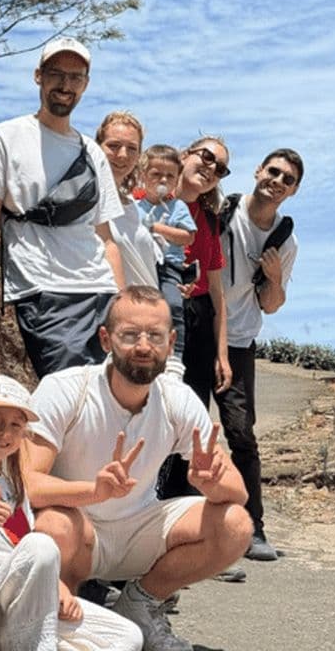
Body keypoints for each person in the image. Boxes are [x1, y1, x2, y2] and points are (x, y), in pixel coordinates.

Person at [23, 286, 252, 651]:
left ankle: (141, 606)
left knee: (236, 525)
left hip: (138, 531)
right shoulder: (65, 390)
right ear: (105, 338)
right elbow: (28, 484)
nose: (143, 347)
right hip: (79, 533)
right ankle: (62, 617)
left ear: (171, 341)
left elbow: (238, 494)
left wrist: (212, 484)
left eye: (155, 336)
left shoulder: (177, 400)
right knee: (52, 525)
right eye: (129, 335)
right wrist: (92, 492)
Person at [0, 38, 125, 378]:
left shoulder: (92, 152)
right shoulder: (6, 137)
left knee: (105, 403)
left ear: (86, 84)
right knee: (65, 399)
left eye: (76, 77)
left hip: (100, 293)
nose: (66, 85)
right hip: (44, 293)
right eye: (56, 74)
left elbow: (107, 239)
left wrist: (123, 306)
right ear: (39, 76)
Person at [0, 374, 143, 651]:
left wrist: (56, 586)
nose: (5, 433)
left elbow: (23, 548)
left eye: (16, 424)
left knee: (127, 637)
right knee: (42, 544)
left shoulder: (14, 483)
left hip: (24, 598)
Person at [219, 149, 303, 561]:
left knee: (241, 435)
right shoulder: (224, 209)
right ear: (258, 171)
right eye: (273, 171)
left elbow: (271, 304)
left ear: (293, 191)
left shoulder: (285, 241)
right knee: (180, 429)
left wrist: (273, 278)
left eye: (287, 179)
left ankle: (253, 529)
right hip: (200, 331)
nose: (277, 181)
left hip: (240, 342)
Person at [158, 136, 233, 500]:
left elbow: (218, 294)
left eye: (220, 168)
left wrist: (222, 353)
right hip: (156, 315)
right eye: (206, 157)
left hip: (198, 319)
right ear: (185, 154)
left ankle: (182, 498)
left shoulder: (209, 221)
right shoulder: (149, 201)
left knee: (191, 411)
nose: (211, 168)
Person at [135, 144, 197, 356]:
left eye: (170, 176)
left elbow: (188, 236)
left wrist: (156, 228)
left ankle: (175, 354)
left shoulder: (178, 207)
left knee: (172, 304)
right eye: (156, 174)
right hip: (142, 264)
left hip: (169, 266)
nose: (163, 180)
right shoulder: (133, 207)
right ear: (142, 175)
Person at [96, 112, 161, 289]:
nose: (123, 155)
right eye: (114, 146)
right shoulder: (89, 200)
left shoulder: (132, 204)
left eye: (132, 148)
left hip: (150, 307)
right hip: (117, 310)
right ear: (97, 148)